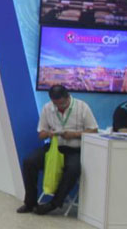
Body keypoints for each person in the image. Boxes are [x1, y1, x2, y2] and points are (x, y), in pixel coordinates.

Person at [17, 85, 99, 216]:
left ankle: (54, 204)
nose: (59, 107)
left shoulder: (82, 107)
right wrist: (49, 134)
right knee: (29, 161)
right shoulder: (47, 108)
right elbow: (41, 134)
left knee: (73, 169)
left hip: (74, 149)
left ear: (68, 97)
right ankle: (30, 202)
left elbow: (94, 131)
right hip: (54, 147)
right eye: (56, 104)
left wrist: (74, 134)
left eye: (62, 103)